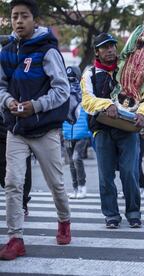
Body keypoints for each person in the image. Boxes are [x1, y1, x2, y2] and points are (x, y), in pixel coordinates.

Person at [0, 0, 72, 260]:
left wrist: (37, 106)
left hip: (45, 129)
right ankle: (15, 238)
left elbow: (62, 90)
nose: (18, 21)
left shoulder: (47, 51)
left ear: (34, 20)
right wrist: (8, 102)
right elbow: (1, 86)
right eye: (14, 16)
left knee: (56, 184)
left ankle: (64, 221)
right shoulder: (6, 51)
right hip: (16, 130)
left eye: (24, 16)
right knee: (12, 183)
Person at [81, 32, 144, 229]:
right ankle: (111, 215)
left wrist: (143, 115)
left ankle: (134, 213)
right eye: (105, 47)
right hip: (102, 131)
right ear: (97, 52)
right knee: (106, 176)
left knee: (130, 173)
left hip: (128, 129)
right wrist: (105, 105)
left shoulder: (129, 71)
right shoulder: (90, 74)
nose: (110, 50)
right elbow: (86, 100)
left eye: (112, 46)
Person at [115, 10, 144, 111]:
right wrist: (140, 39)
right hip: (135, 53)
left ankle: (134, 93)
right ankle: (125, 90)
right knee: (129, 71)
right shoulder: (140, 29)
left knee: (140, 73)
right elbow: (133, 40)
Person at [62, 66, 91, 199]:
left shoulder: (85, 91)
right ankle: (75, 188)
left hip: (82, 132)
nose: (70, 81)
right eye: (68, 78)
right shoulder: (63, 93)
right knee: (71, 163)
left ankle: (82, 187)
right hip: (67, 132)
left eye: (73, 78)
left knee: (76, 158)